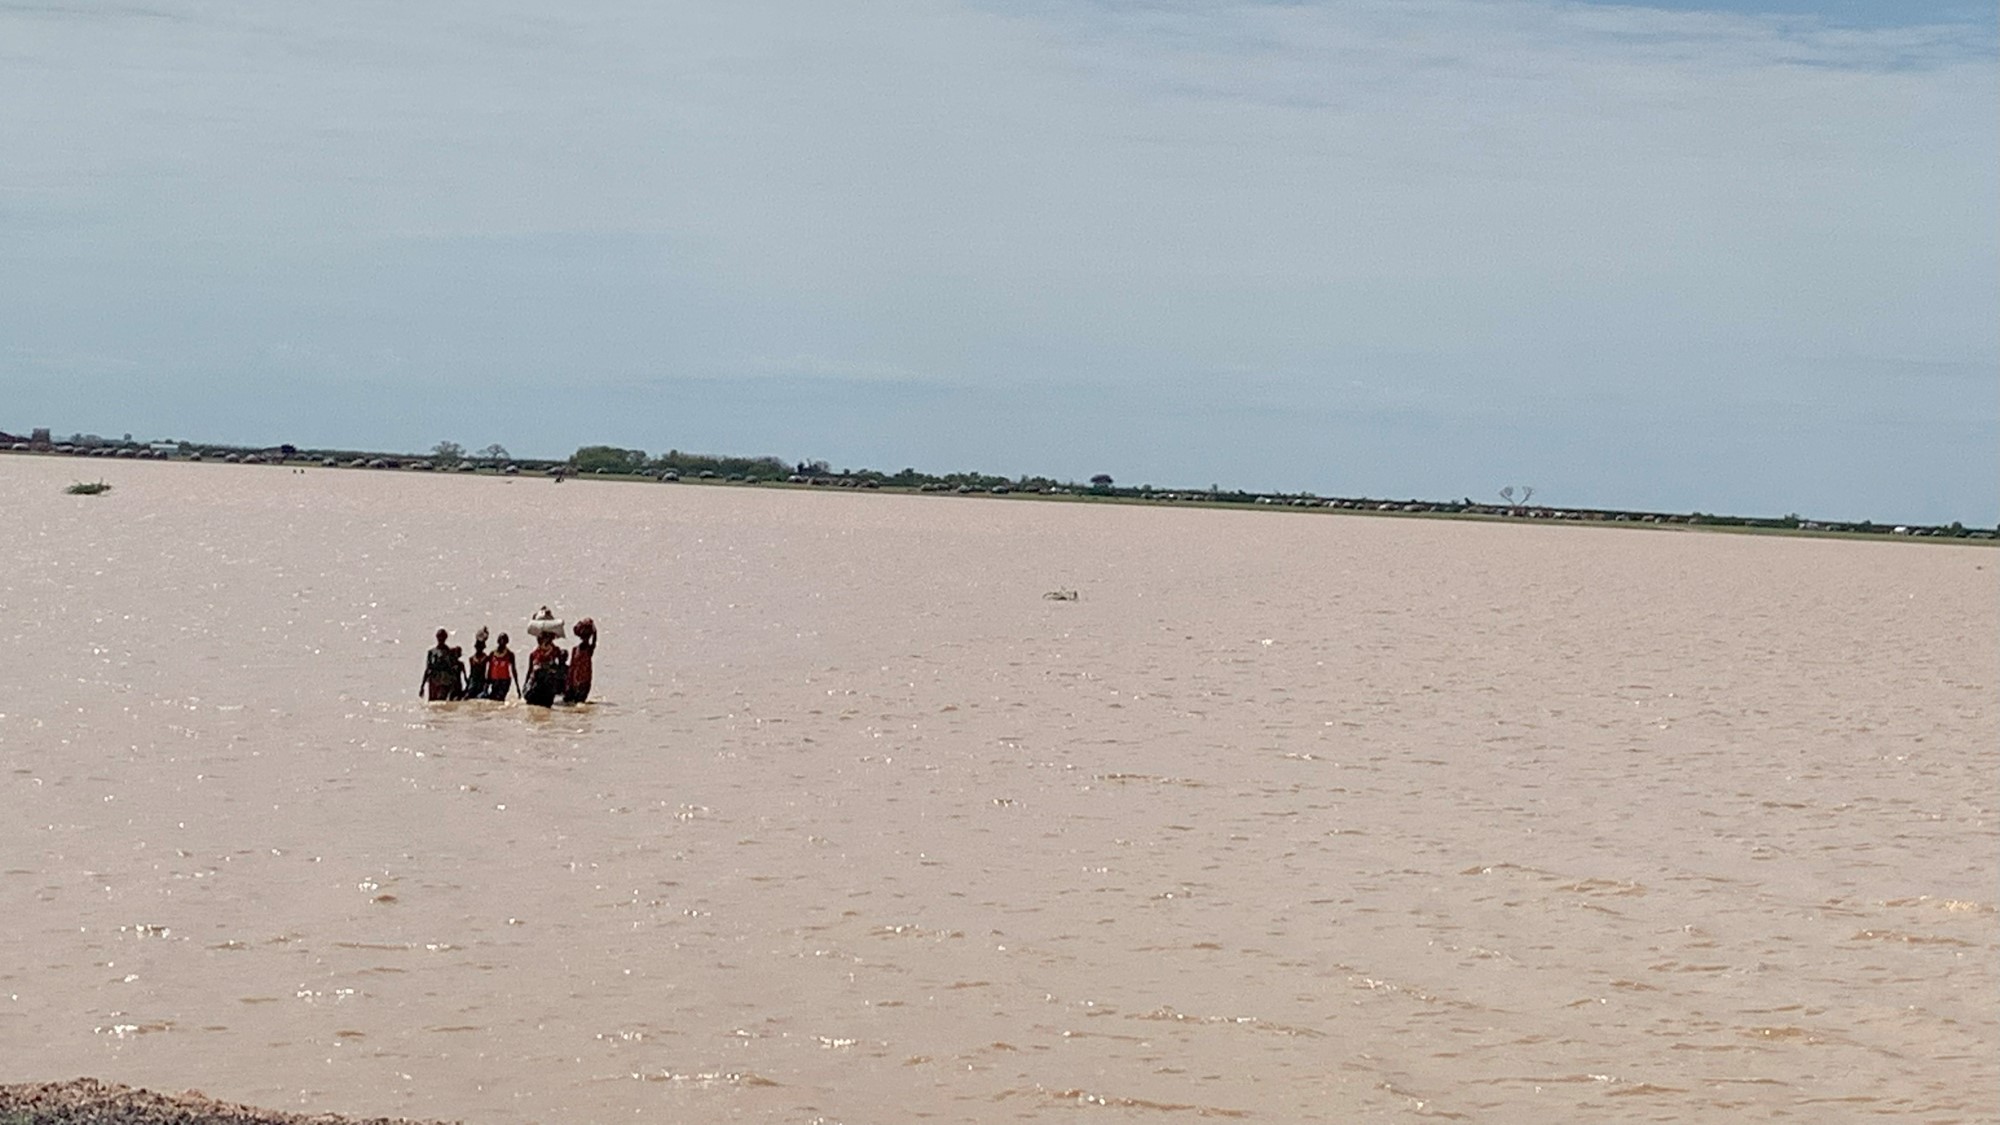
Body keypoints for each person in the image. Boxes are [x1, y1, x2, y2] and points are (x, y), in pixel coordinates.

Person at [523, 628, 568, 708]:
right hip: (538, 680)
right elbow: (530, 670)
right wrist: (526, 684)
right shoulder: (535, 653)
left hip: (548, 681)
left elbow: (560, 663)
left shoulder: (555, 650)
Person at [419, 628, 459, 701]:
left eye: (442, 637)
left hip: (445, 681)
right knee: (433, 703)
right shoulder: (431, 652)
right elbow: (428, 669)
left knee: (442, 702)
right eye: (439, 637)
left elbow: (454, 670)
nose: (441, 639)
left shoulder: (450, 652)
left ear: (445, 638)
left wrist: (455, 686)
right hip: (433, 681)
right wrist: (422, 686)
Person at [564, 618, 597, 704]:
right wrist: (569, 682)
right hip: (575, 681)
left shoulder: (589, 650)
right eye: (584, 637)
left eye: (587, 637)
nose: (585, 639)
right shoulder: (575, 650)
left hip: (584, 682)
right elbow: (572, 667)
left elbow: (594, 642)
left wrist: (595, 632)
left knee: (579, 702)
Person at [486, 632, 517, 701]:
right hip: (494, 680)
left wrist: (517, 687)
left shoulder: (510, 654)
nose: (502, 642)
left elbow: (513, 670)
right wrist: (487, 683)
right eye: (500, 640)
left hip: (504, 681)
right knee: (493, 699)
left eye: (504, 640)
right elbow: (490, 668)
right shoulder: (492, 654)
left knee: (500, 698)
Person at [465, 628, 491, 700]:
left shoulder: (486, 658)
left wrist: (487, 684)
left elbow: (488, 672)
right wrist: (467, 685)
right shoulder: (472, 659)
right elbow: (471, 673)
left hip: (482, 682)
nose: (479, 648)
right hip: (473, 682)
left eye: (480, 647)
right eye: (478, 647)